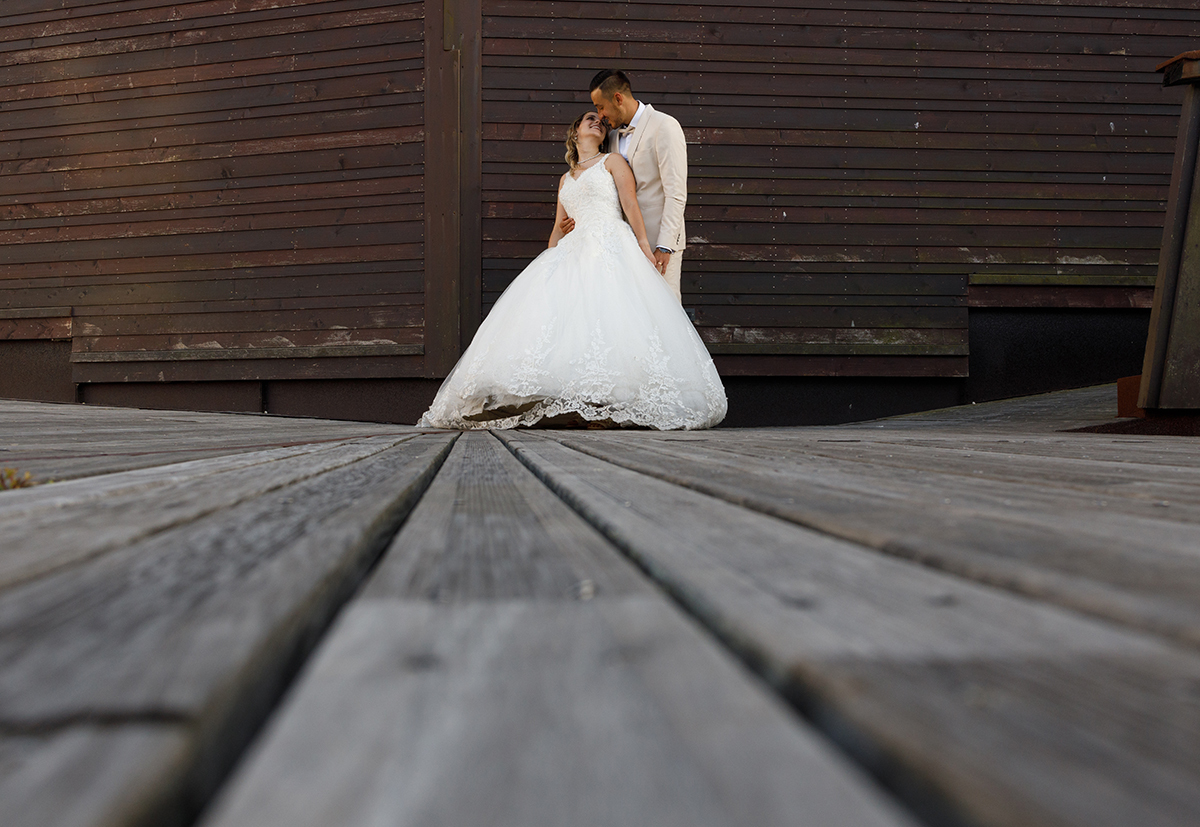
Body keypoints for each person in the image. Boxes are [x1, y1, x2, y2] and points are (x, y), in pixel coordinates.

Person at [417, 112, 725, 431]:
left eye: (602, 123)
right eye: (589, 119)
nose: (597, 123)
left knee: (608, 320)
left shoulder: (613, 162)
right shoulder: (566, 178)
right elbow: (557, 228)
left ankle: (607, 406)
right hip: (572, 249)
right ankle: (552, 402)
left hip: (609, 242)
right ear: (575, 132)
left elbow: (631, 205)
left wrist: (645, 247)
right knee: (560, 325)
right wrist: (549, 263)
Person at [561, 69, 688, 302]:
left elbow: (676, 193)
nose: (599, 115)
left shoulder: (665, 126)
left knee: (664, 312)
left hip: (656, 241)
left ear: (618, 98)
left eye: (600, 107)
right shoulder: (610, 137)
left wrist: (666, 246)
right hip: (617, 247)